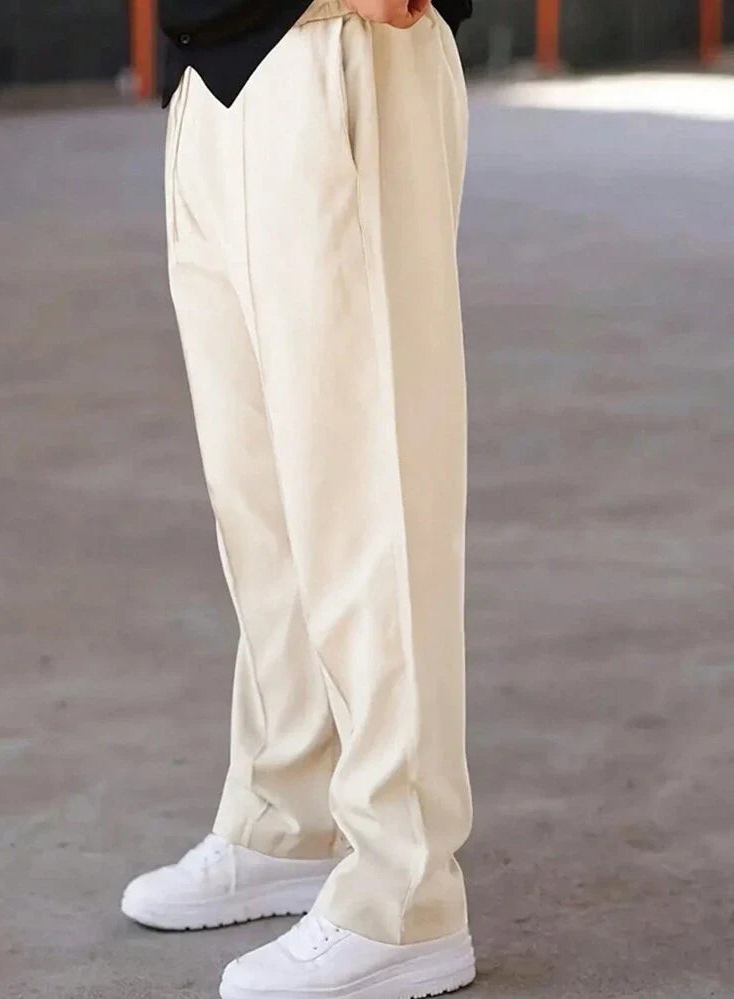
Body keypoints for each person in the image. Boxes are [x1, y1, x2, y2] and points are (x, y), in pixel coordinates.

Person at [121, 0, 475, 994]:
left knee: (368, 495)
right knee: (263, 503)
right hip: (211, 70)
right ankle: (290, 815)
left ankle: (404, 896)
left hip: (340, 46)